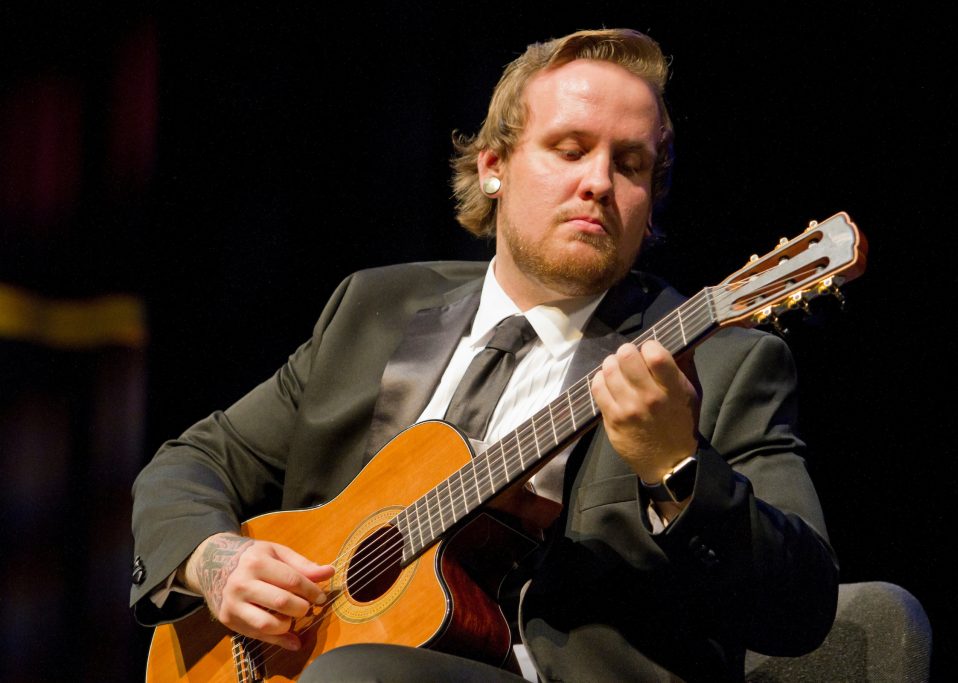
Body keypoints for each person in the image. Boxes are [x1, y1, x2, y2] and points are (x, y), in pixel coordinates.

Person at [131, 28, 839, 682]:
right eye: (570, 149)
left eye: (631, 165)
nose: (598, 181)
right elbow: (193, 461)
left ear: (650, 203)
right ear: (494, 165)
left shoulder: (721, 364)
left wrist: (675, 468)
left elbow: (802, 605)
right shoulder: (372, 311)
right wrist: (218, 561)